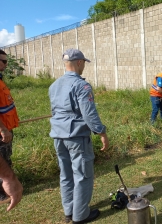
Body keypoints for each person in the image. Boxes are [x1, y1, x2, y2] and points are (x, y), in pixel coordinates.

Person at [49, 48, 109, 224]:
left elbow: (54, 111)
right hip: (76, 136)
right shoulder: (81, 85)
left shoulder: (54, 86)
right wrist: (101, 132)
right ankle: (81, 215)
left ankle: (69, 211)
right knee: (82, 175)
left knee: (66, 175)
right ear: (80, 62)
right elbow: (89, 114)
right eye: (84, 64)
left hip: (58, 136)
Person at [0, 49, 20, 205]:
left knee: (6, 159)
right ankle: (2, 194)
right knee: (2, 162)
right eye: (4, 61)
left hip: (6, 129)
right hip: (1, 132)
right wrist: (3, 129)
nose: (6, 65)